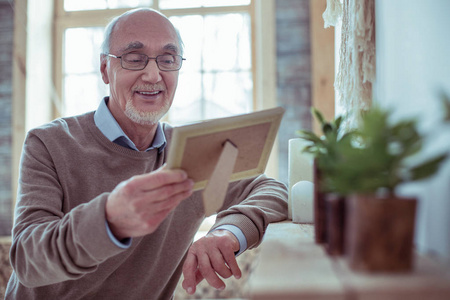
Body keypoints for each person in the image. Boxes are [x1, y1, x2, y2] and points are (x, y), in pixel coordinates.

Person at [5, 8, 288, 300]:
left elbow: (271, 189)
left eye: (167, 59)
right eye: (134, 58)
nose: (153, 75)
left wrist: (228, 232)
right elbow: (28, 260)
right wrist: (109, 219)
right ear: (105, 69)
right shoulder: (49, 143)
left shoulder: (192, 152)